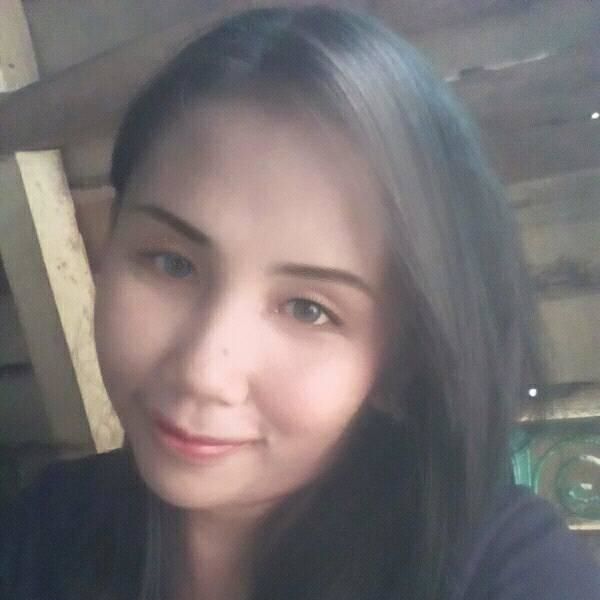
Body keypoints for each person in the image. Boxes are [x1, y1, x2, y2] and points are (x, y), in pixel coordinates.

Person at [1, 6, 598, 600]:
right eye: (172, 263)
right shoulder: (46, 531)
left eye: (308, 309)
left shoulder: (507, 571)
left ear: (400, 361)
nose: (203, 373)